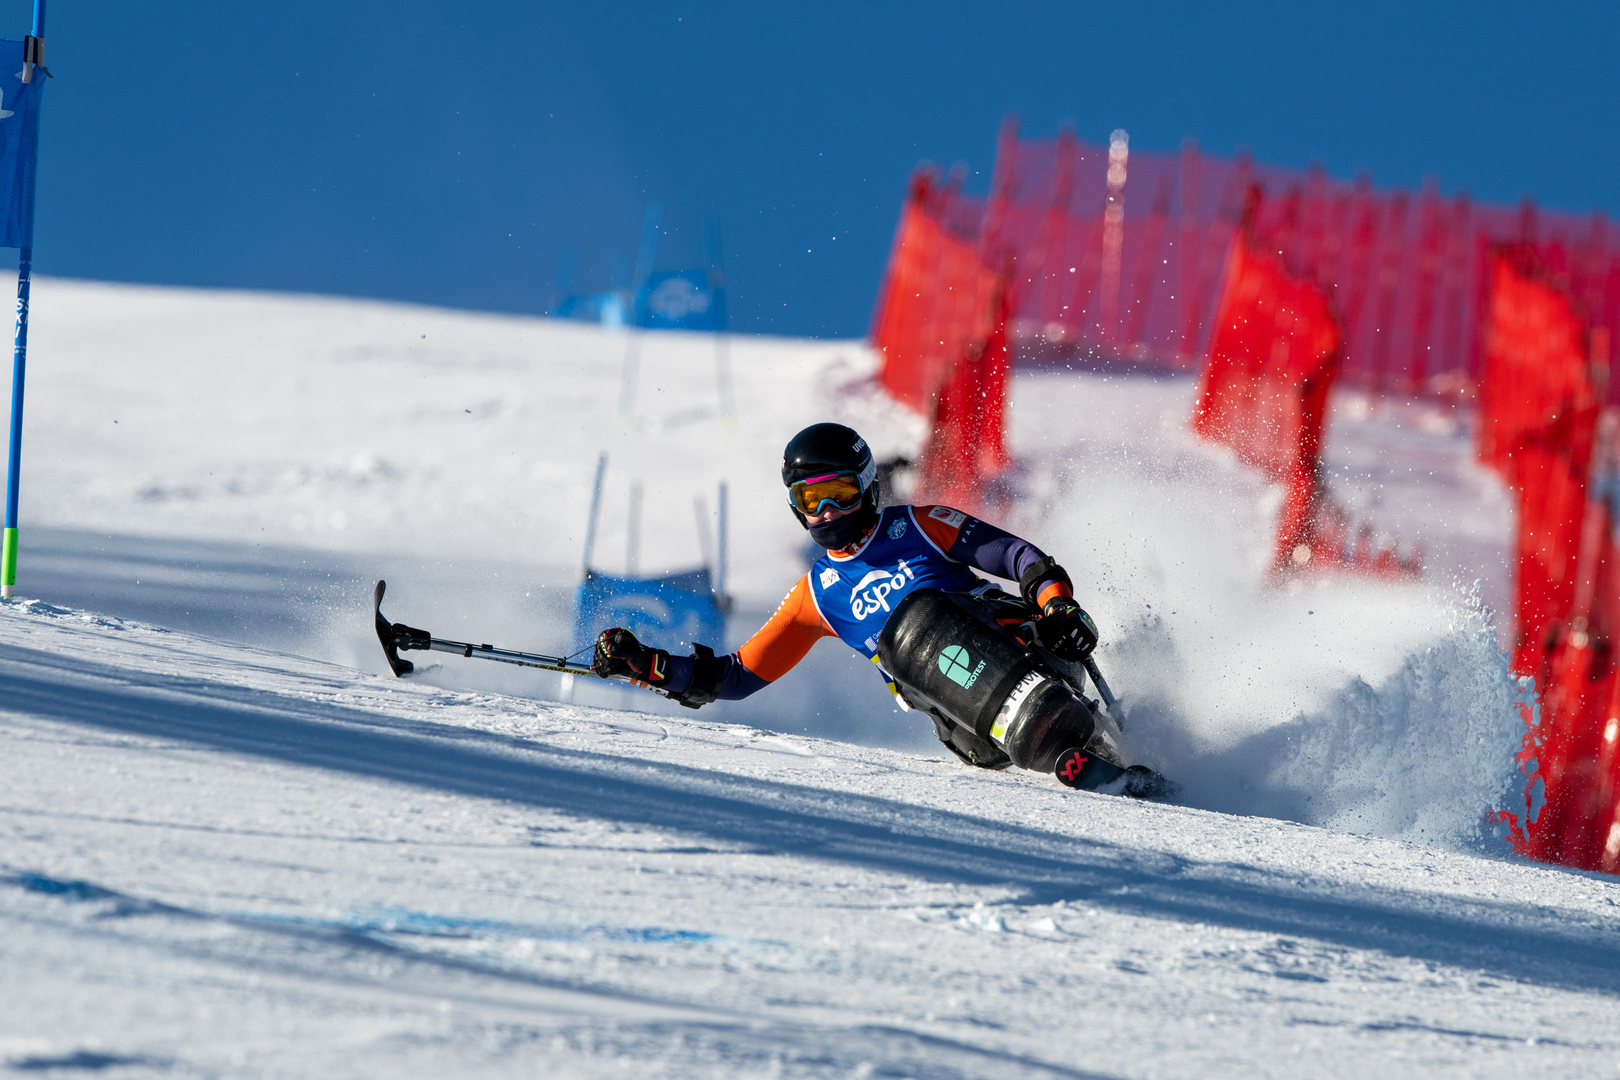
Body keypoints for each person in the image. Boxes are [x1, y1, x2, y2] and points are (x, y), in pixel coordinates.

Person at [592, 422, 1106, 776]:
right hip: (970, 723)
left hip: (1028, 656)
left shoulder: (918, 526)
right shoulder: (814, 595)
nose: (828, 511)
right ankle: (1041, 734)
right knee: (905, 637)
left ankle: (1074, 728)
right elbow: (735, 677)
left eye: (837, 492)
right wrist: (645, 665)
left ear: (865, 486)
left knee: (920, 616)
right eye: (810, 500)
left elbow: (1019, 557)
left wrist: (1056, 604)